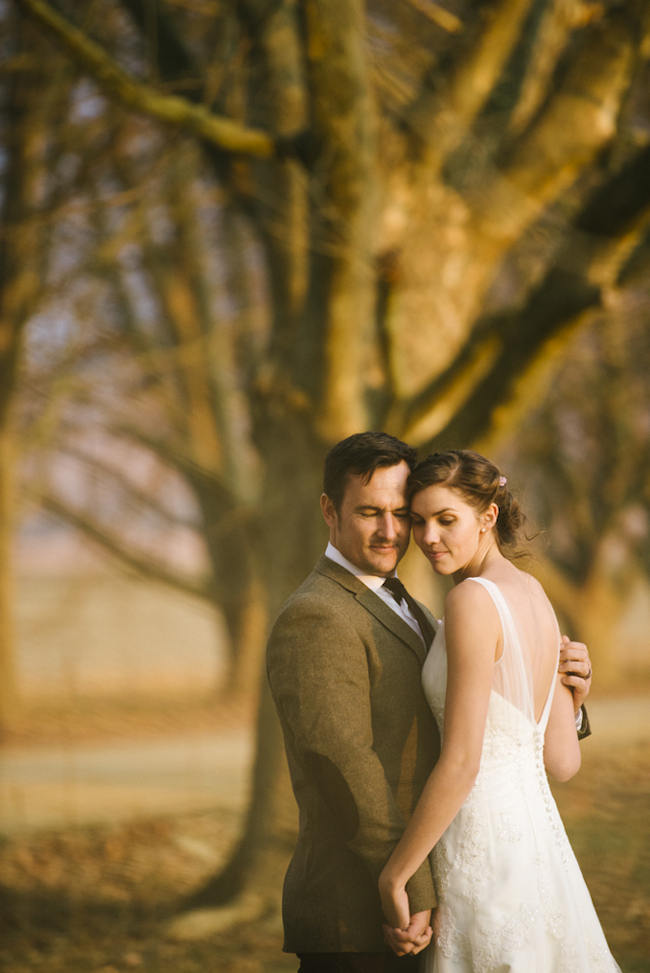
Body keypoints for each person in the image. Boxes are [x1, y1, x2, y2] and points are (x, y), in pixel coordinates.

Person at [267, 433, 593, 972]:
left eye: (405, 514)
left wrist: (567, 700)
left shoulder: (426, 609)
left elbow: (530, 746)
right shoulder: (317, 615)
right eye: (372, 512)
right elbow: (344, 765)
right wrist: (407, 883)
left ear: (487, 517)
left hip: (464, 870)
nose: (397, 532)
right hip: (363, 909)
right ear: (329, 510)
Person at [378, 449, 618, 971]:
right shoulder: (536, 596)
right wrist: (573, 700)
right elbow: (562, 762)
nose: (428, 538)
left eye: (446, 520)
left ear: (488, 516)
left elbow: (463, 761)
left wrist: (395, 874)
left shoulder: (470, 601)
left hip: (480, 845)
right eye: (417, 521)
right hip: (537, 848)